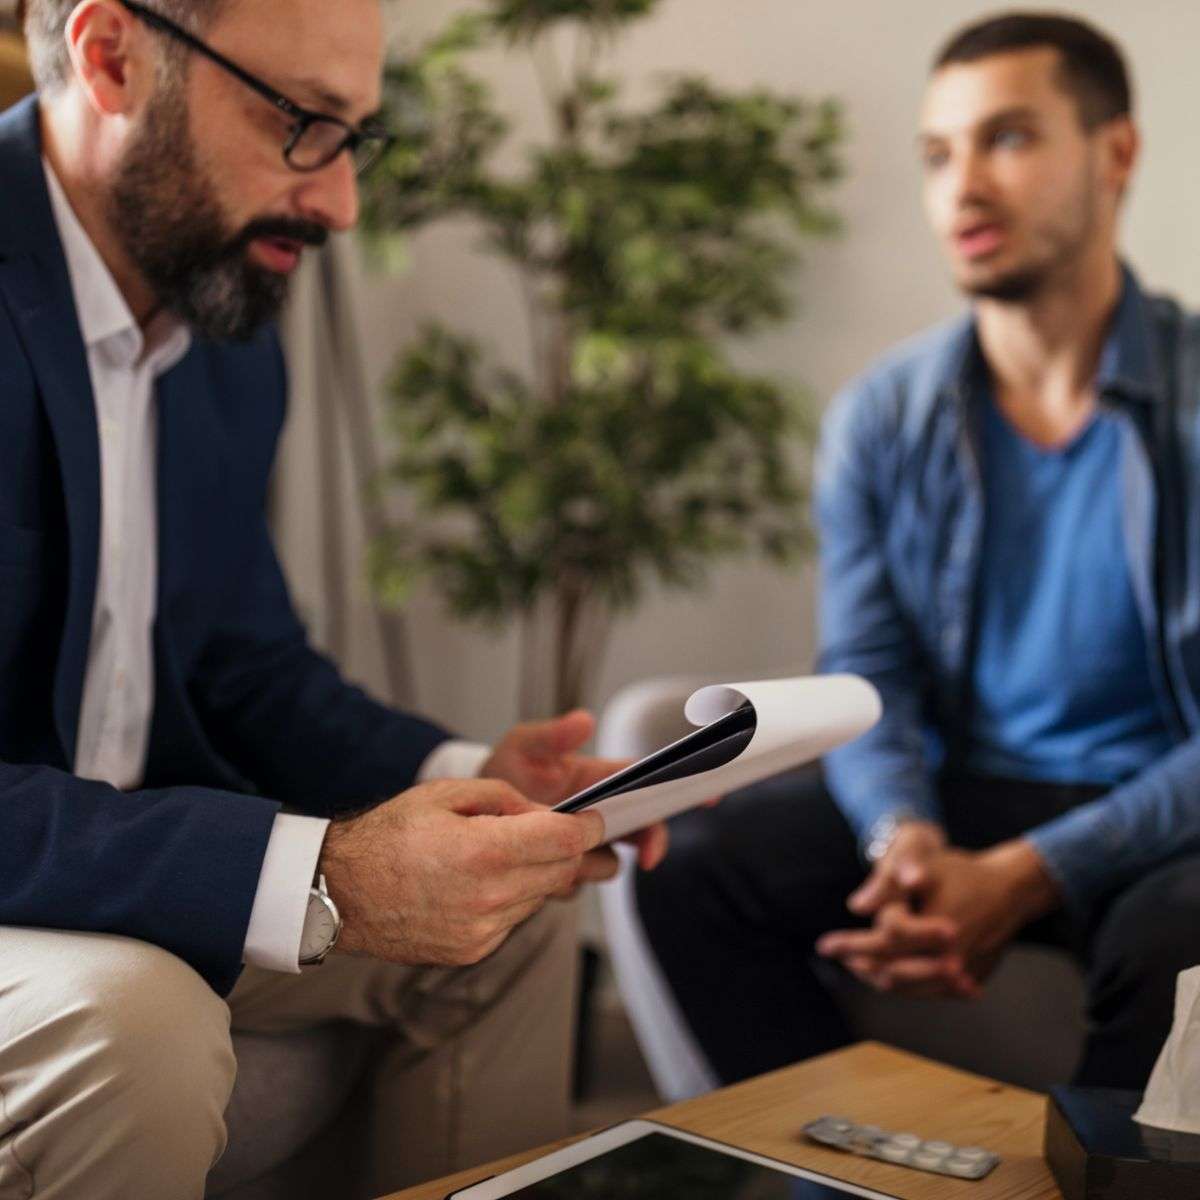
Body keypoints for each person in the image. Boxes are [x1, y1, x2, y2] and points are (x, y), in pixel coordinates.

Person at [0, 1, 668, 1196]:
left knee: (511, 924)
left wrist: (471, 777)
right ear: (111, 58)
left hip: (107, 862)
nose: (343, 204)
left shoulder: (221, 327)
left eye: (354, 135)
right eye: (300, 120)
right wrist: (317, 874)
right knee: (137, 1024)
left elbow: (245, 663)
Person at [636, 11, 1200, 1093]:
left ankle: (1088, 1169)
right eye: (938, 154)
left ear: (1116, 152)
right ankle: (836, 1162)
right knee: (696, 866)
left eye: (1009, 138)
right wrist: (902, 838)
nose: (963, 188)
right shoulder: (883, 416)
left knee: (1175, 950)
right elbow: (868, 671)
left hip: (1163, 815)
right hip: (968, 785)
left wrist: (1033, 874)